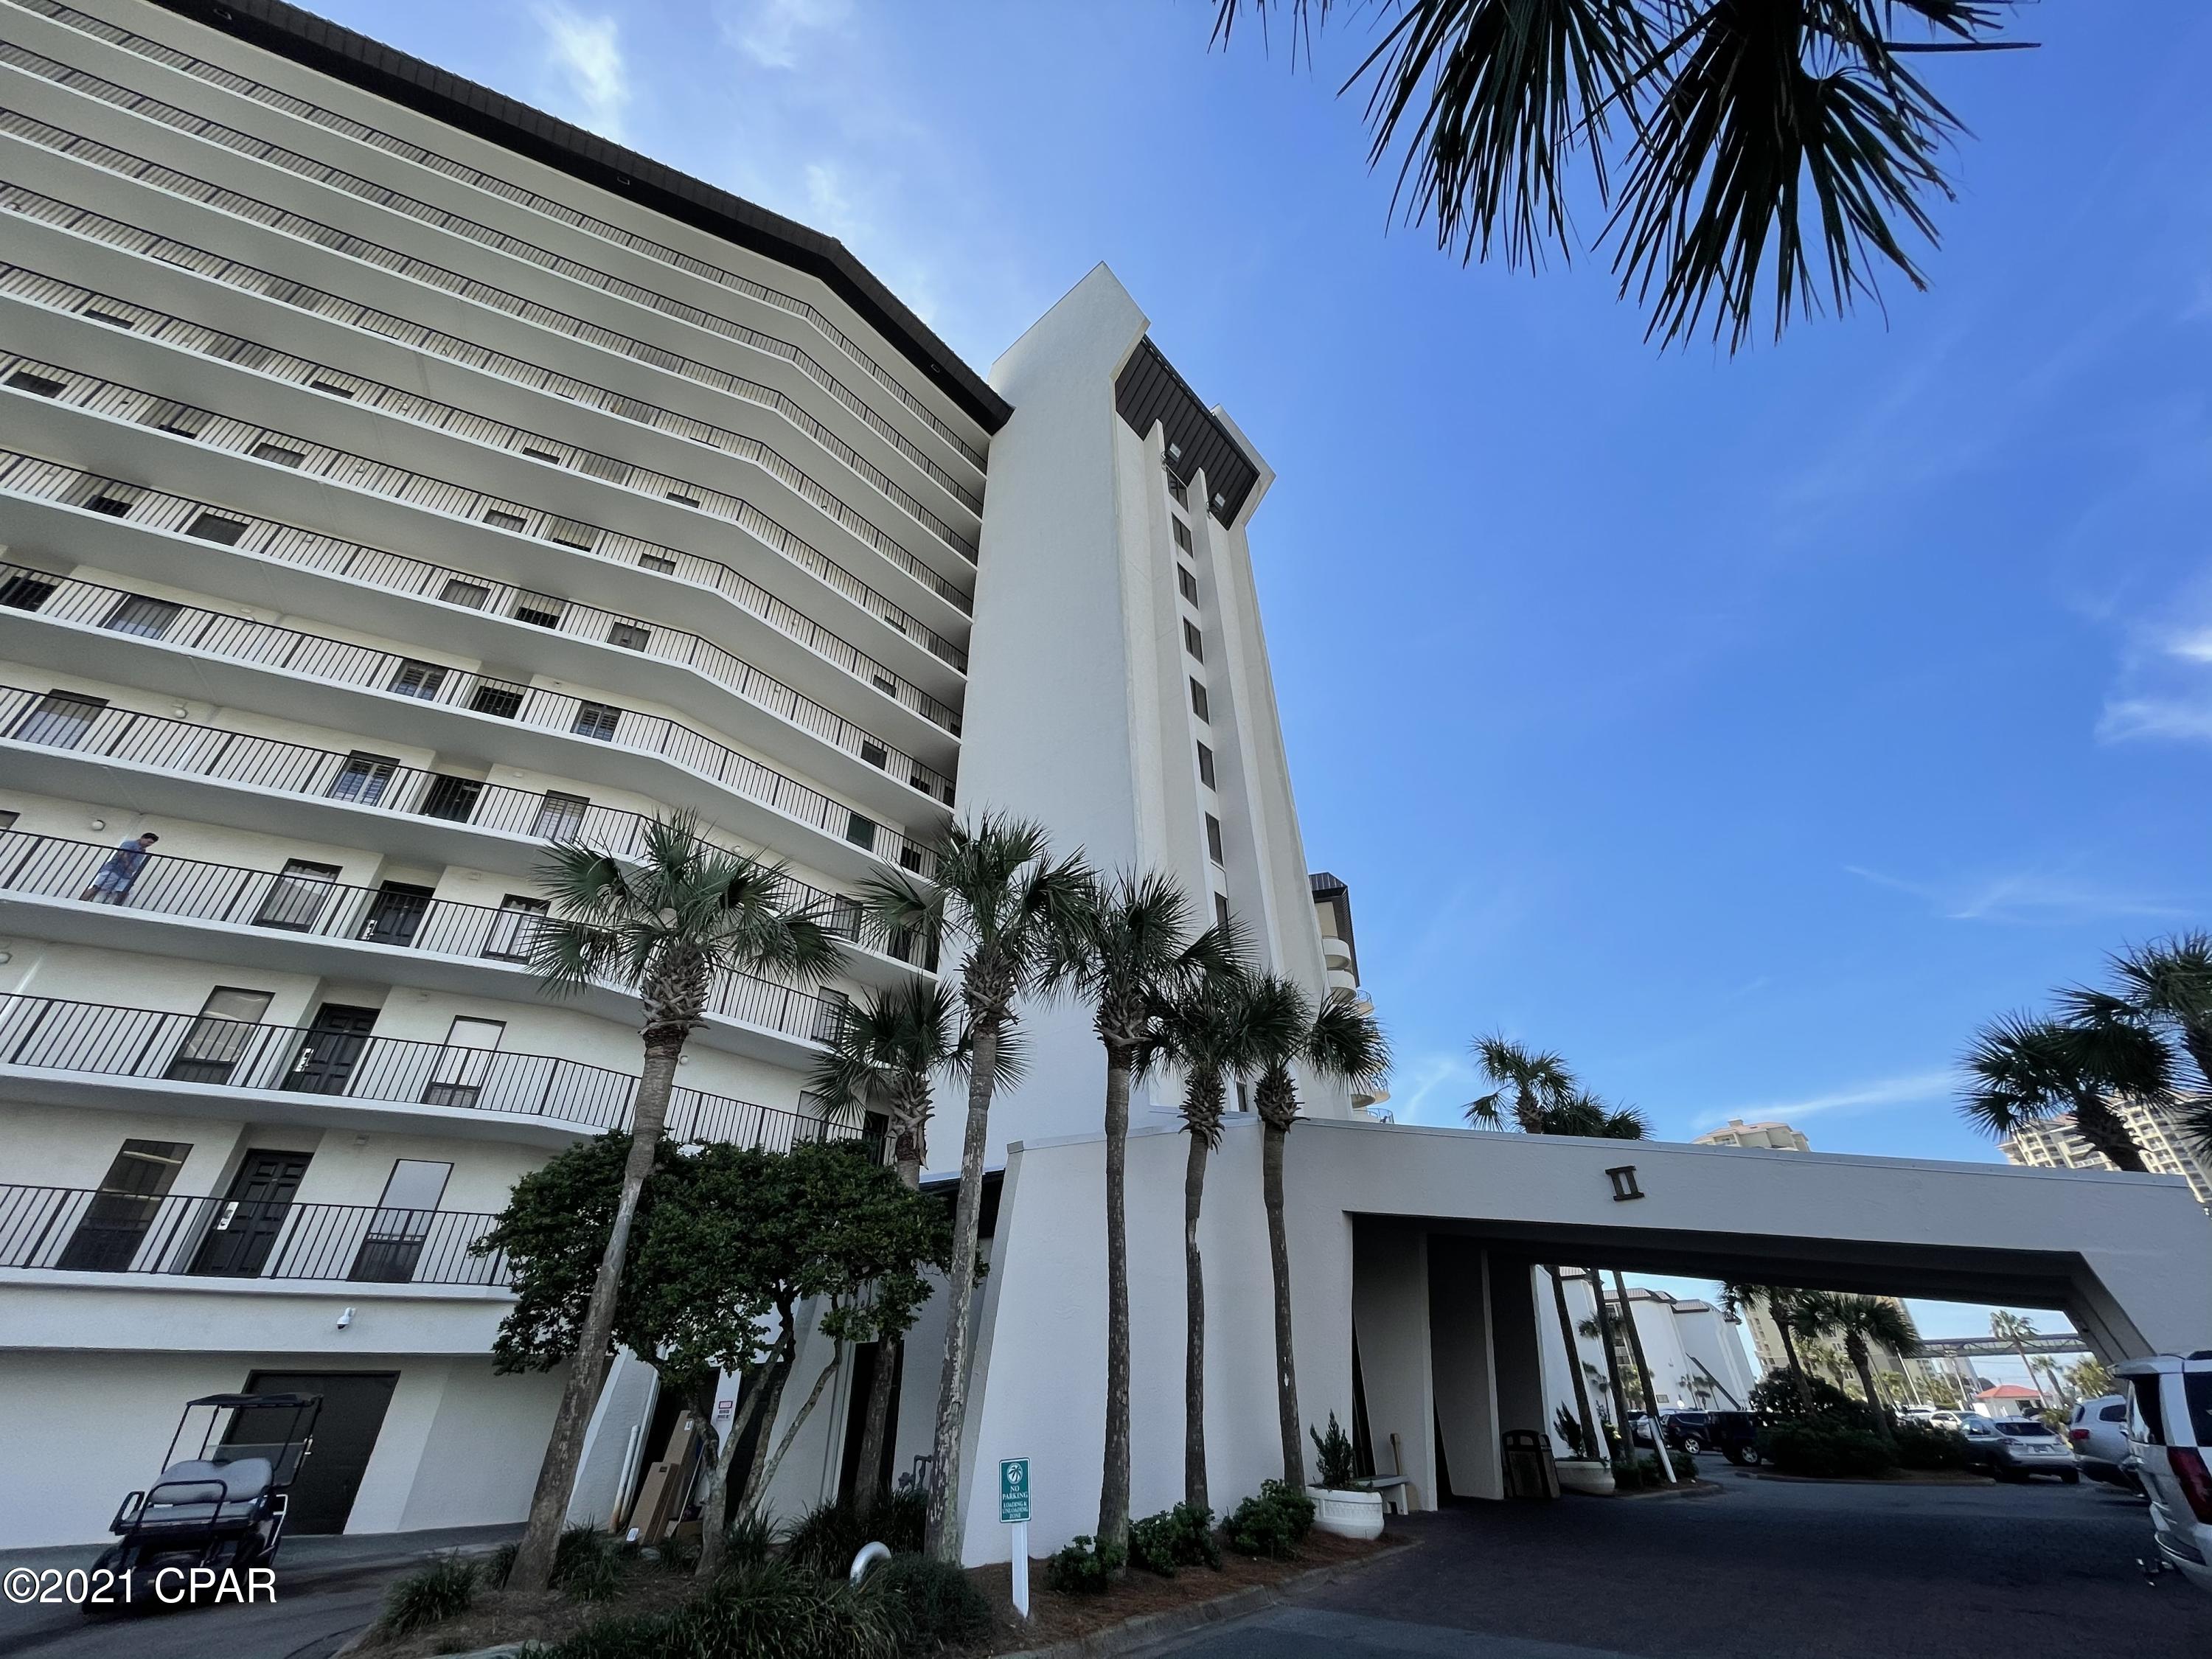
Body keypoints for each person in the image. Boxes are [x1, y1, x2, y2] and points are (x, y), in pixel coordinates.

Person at [80, 831, 159, 904]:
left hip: (126, 875)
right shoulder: (130, 844)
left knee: (124, 893)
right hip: (114, 870)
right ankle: (80, 903)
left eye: (151, 843)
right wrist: (128, 865)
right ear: (143, 838)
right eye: (149, 842)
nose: (149, 844)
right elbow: (122, 853)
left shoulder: (142, 851)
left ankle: (115, 907)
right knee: (97, 887)